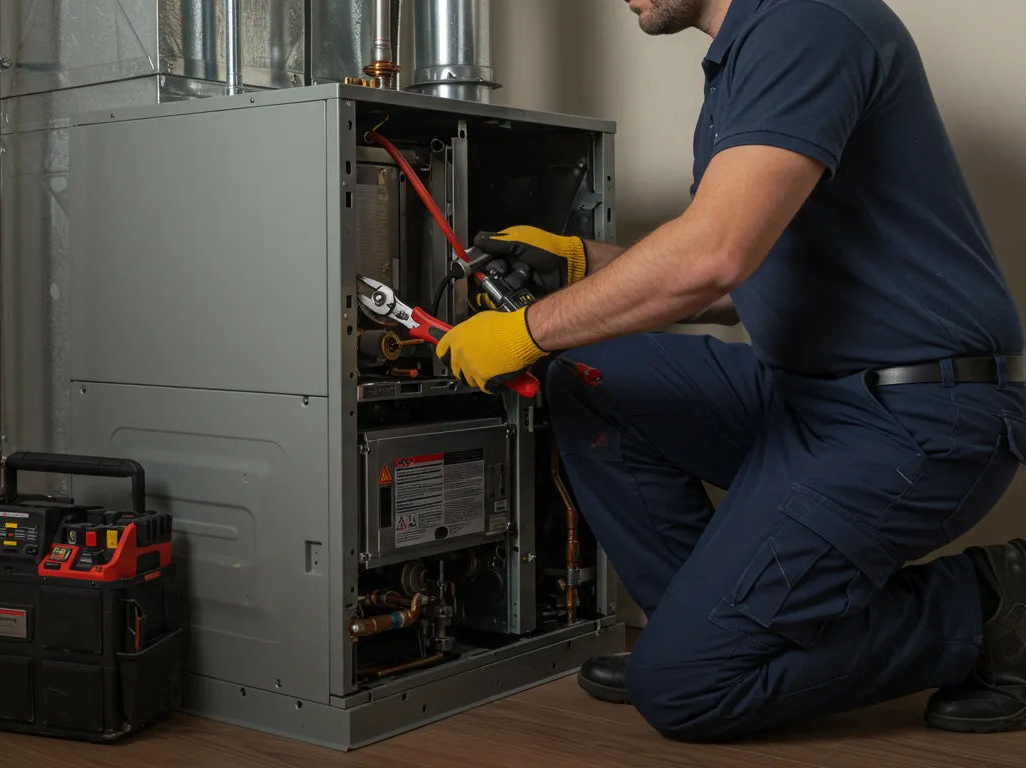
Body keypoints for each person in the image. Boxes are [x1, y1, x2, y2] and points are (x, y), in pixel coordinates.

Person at [436, 0, 1026, 742]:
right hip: (809, 397)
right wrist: (581, 263)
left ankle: (989, 602)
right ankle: (705, 627)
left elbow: (712, 256)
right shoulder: (743, 59)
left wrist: (526, 330)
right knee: (591, 379)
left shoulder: (808, 22)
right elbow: (728, 287)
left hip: (915, 416)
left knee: (686, 692)